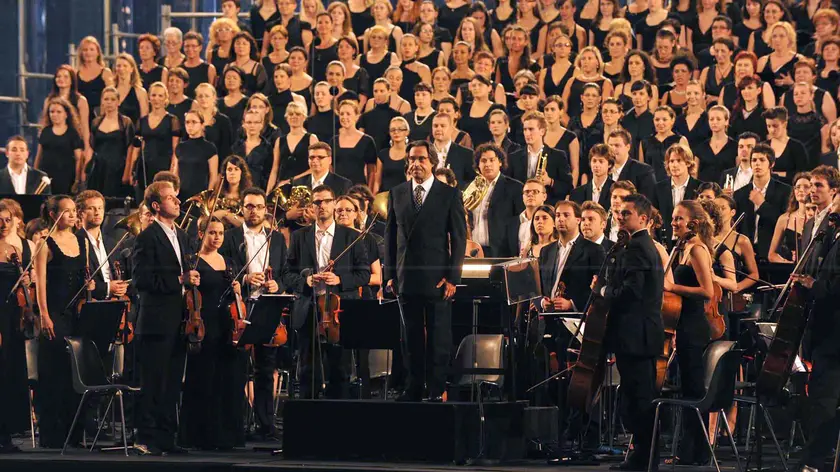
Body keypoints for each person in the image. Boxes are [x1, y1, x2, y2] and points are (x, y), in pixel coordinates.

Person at [384, 140, 466, 402]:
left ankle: (436, 387)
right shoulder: (396, 193)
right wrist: (389, 275)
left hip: (437, 279)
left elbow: (459, 239)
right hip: (406, 278)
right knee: (411, 338)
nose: (415, 164)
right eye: (412, 159)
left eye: (421, 159)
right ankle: (413, 386)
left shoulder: (449, 194)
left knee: (439, 338)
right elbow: (390, 237)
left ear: (432, 162)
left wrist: (453, 278)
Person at [282, 185, 370, 399]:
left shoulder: (352, 236)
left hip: (338, 311)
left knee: (340, 371)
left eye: (326, 201)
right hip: (309, 309)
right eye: (317, 202)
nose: (322, 206)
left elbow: (364, 274)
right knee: (307, 371)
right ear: (312, 206)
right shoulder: (299, 236)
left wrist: (339, 279)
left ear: (333, 203)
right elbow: (286, 273)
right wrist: (306, 280)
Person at [597, 193, 664, 472]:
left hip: (634, 335)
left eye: (626, 213)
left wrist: (604, 291)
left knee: (639, 398)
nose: (620, 217)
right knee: (639, 397)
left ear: (644, 219)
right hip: (641, 334)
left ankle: (644, 458)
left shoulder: (637, 247)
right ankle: (645, 457)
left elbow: (631, 292)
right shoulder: (643, 245)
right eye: (619, 213)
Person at [132, 181, 196, 455]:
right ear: (157, 206)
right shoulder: (146, 237)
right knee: (154, 382)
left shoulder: (180, 235)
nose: (178, 202)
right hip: (156, 321)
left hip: (178, 319)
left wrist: (190, 280)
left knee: (171, 382)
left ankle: (167, 437)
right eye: (171, 198)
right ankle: (146, 437)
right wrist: (178, 279)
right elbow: (142, 280)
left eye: (177, 197)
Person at [220, 187, 286, 441]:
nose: (254, 211)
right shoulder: (230, 237)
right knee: (237, 369)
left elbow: (284, 272)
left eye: (259, 206)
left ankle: (265, 425)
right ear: (242, 209)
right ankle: (234, 426)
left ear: (266, 209)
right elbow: (224, 269)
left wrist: (276, 285)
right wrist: (245, 276)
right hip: (239, 307)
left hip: (267, 306)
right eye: (249, 206)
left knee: (266, 368)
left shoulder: (276, 238)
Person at [665, 200, 718, 467]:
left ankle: (697, 453)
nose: (673, 223)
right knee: (688, 389)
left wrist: (672, 288)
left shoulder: (697, 249)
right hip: (683, 323)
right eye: (673, 218)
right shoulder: (683, 248)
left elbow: (707, 291)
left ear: (693, 222)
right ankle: (691, 451)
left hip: (695, 325)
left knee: (694, 390)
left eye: (678, 219)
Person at [34, 196, 89, 448]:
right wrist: (44, 315)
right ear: (53, 213)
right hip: (55, 312)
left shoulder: (81, 240)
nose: (71, 215)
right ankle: (53, 434)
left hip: (77, 313)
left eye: (73, 211)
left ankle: (73, 432)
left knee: (74, 371)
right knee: (54, 371)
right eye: (65, 211)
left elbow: (85, 275)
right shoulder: (45, 242)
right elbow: (41, 284)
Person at [0, 203, 36, 452]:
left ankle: (6, 435)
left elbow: (27, 287)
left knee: (10, 372)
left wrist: (26, 279)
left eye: (6, 220)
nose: (3, 225)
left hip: (13, 318)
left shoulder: (16, 249)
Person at [733, 143, 792, 259]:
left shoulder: (785, 191)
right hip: (746, 255)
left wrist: (762, 205)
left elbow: (784, 224)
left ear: (772, 164)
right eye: (754, 160)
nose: (757, 164)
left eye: (762, 160)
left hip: (773, 253)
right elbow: (737, 226)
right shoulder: (740, 194)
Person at [468, 143, 525, 257]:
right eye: (483, 161)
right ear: (478, 165)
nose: (487, 164)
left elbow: (522, 221)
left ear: (500, 162)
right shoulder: (470, 188)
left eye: (491, 160)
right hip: (474, 251)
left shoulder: (514, 187)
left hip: (501, 252)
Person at [507, 111, 573, 205]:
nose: (527, 133)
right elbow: (508, 187)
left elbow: (568, 187)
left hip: (547, 210)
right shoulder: (514, 157)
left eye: (531, 129)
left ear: (542, 131)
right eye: (525, 129)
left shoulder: (558, 156)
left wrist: (550, 181)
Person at [130, 82, 182, 200]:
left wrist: (173, 172)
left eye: (160, 96)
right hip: (145, 166)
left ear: (165, 98)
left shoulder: (172, 120)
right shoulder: (142, 121)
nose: (156, 99)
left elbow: (176, 150)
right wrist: (132, 170)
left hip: (164, 166)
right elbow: (137, 149)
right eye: (153, 95)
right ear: (149, 97)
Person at [652, 144, 702, 243]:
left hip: (692, 242)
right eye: (671, 161)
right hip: (665, 243)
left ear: (688, 163)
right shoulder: (658, 188)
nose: (674, 165)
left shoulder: (700, 187)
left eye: (679, 160)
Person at [34, 97, 84, 195]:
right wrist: (35, 175)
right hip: (46, 176)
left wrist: (77, 180)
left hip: (66, 177)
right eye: (52, 112)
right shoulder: (45, 131)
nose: (54, 114)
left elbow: (79, 159)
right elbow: (39, 155)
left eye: (58, 112)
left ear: (66, 114)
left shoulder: (73, 133)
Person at [176, 110, 219, 201]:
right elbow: (175, 172)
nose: (190, 125)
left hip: (200, 196)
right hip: (181, 195)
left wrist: (207, 196)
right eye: (187, 122)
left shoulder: (209, 148)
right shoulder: (180, 147)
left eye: (194, 122)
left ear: (202, 125)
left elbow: (213, 176)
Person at [768, 172, 811, 263]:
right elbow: (771, 255)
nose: (801, 190)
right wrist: (786, 262)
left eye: (806, 187)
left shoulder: (818, 218)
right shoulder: (784, 219)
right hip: (788, 270)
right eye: (798, 187)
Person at [606, 128, 656, 201]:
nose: (613, 149)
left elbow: (646, 202)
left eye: (617, 145)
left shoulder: (644, 171)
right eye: (610, 145)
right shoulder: (603, 170)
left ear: (628, 147)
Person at [430, 113, 475, 189]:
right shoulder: (424, 152)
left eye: (443, 126)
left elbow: (472, 182)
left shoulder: (466, 154)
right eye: (435, 126)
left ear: (452, 129)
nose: (438, 129)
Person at [231, 109, 273, 190]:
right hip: (237, 192)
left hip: (258, 192)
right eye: (249, 122)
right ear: (244, 124)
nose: (252, 125)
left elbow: (269, 174)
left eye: (256, 122)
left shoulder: (268, 148)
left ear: (262, 125)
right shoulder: (236, 147)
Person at [571, 143, 615, 211]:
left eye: (601, 161)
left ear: (609, 164)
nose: (596, 165)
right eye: (594, 161)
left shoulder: (615, 191)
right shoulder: (577, 193)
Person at [514, 179, 548, 257]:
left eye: (535, 191)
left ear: (544, 196)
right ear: (522, 197)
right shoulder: (513, 222)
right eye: (526, 192)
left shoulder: (552, 221)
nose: (530, 194)